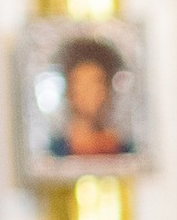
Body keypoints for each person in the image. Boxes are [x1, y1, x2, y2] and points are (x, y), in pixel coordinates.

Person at [48, 36, 131, 164]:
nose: (90, 94)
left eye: (96, 84)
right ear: (70, 92)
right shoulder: (55, 153)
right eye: (82, 85)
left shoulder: (123, 150)